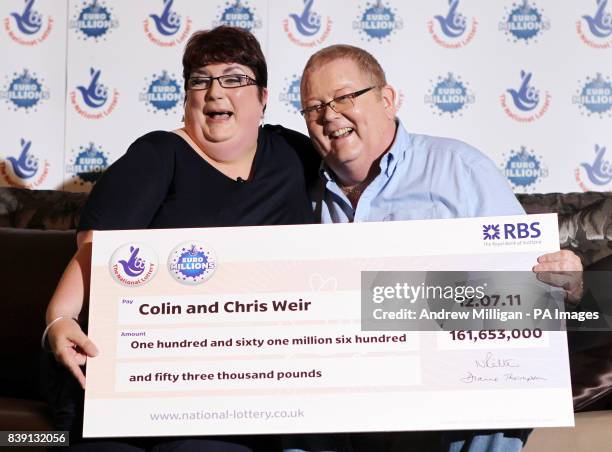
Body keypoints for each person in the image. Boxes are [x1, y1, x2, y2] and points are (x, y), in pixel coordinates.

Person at [44, 26, 317, 452]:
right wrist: (59, 318)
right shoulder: (156, 156)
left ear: (263, 97)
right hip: (143, 383)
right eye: (200, 80)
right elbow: (99, 251)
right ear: (186, 96)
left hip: (251, 392)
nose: (214, 91)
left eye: (234, 78)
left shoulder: (295, 155)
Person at [297, 44, 583, 452]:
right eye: (313, 107)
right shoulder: (296, 191)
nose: (329, 114)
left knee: (503, 398)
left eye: (344, 97)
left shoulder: (461, 171)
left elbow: (534, 285)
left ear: (387, 99)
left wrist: (562, 284)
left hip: (447, 386)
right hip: (340, 385)